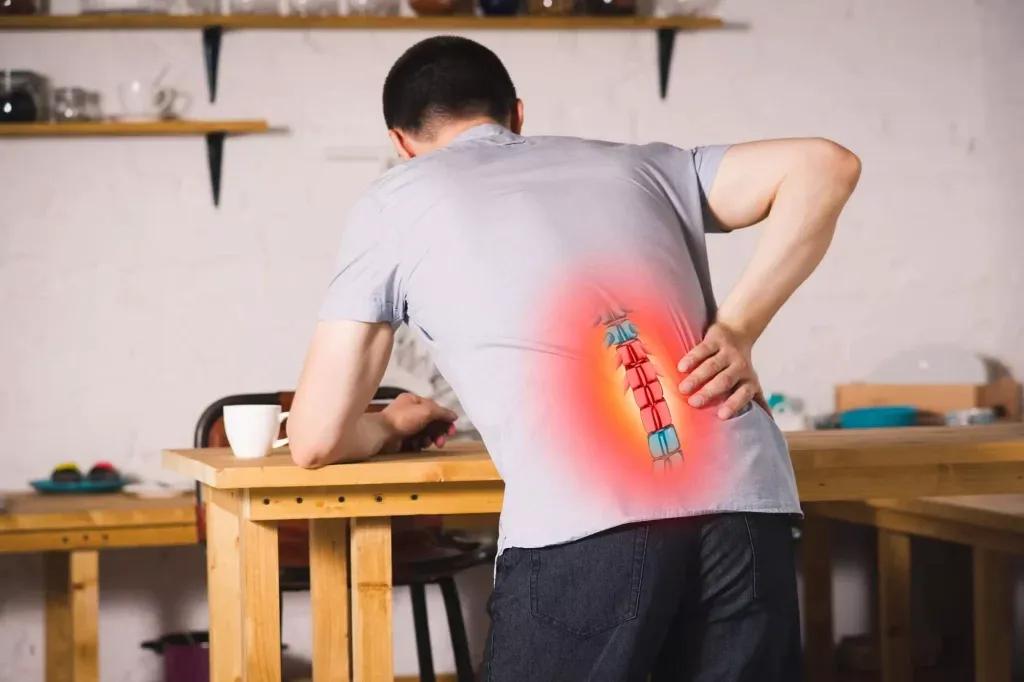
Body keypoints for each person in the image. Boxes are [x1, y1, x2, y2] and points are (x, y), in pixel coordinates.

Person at [288, 35, 860, 682]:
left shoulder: (391, 202)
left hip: (589, 521)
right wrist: (739, 328)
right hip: (743, 499)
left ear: (400, 144)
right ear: (518, 115)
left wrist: (390, 425)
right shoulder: (642, 165)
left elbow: (313, 439)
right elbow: (826, 164)